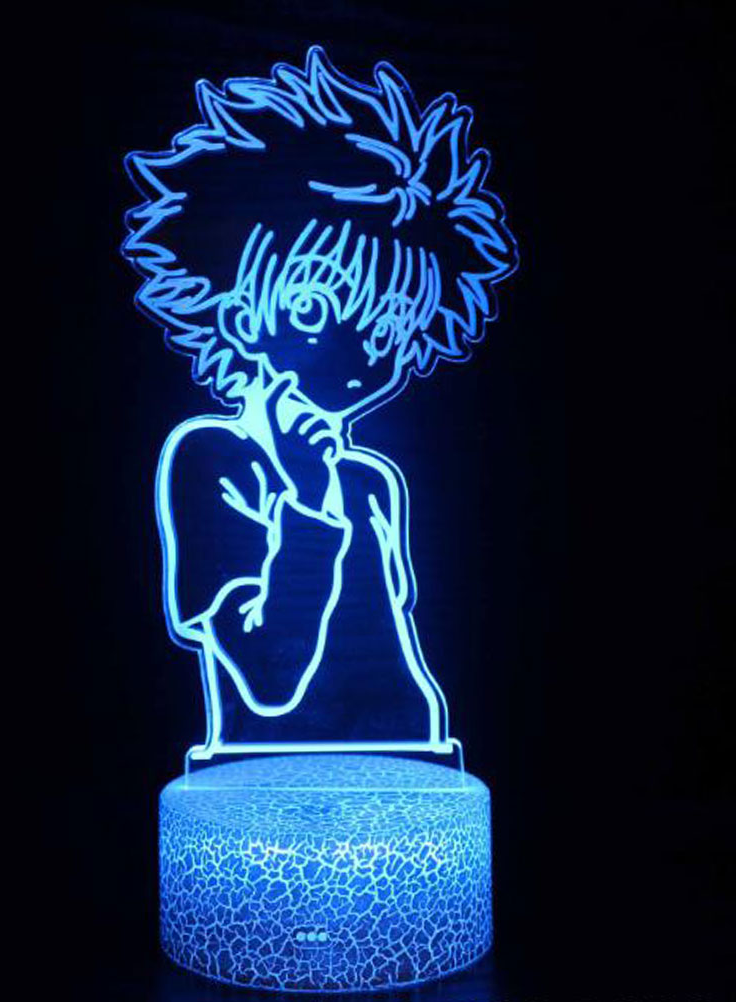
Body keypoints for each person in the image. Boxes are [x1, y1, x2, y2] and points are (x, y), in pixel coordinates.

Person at [122, 46, 518, 754]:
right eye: (315, 307)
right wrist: (305, 503)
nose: (358, 352)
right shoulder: (210, 458)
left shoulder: (372, 482)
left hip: (417, 764)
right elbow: (270, 678)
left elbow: (395, 651)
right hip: (266, 781)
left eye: (390, 327)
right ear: (241, 316)